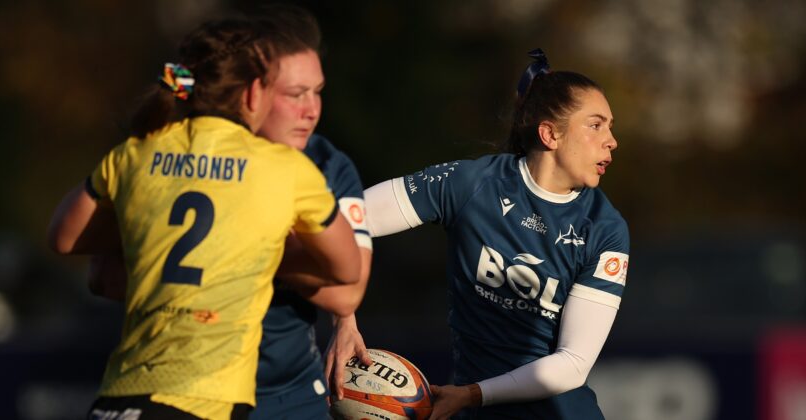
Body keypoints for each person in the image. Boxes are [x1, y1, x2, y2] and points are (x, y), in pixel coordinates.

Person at [47, 16, 361, 420]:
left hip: (119, 395)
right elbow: (348, 268)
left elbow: (65, 239)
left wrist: (144, 228)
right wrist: (254, 248)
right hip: (204, 399)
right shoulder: (283, 168)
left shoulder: (137, 150)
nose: (310, 108)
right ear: (252, 93)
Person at [327, 49, 630, 419]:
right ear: (550, 134)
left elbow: (574, 364)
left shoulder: (605, 228)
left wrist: (472, 395)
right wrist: (344, 318)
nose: (612, 140)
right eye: (596, 125)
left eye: (610, 127)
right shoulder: (470, 185)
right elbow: (343, 222)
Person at [247, 7, 373, 420]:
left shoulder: (328, 163)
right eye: (295, 94)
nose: (312, 109)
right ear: (251, 92)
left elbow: (347, 292)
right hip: (196, 388)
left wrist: (252, 246)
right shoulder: (203, 156)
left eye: (317, 91)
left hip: (291, 392)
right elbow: (97, 269)